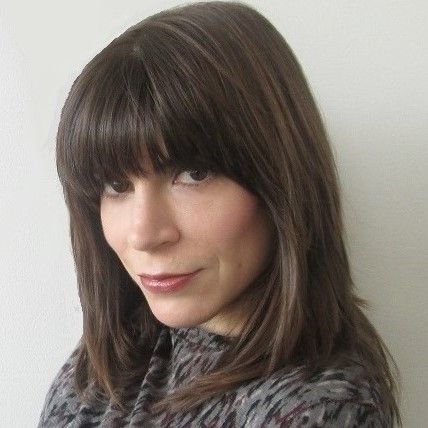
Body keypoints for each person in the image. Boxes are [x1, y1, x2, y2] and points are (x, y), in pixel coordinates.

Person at [37, 1, 401, 426]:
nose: (144, 234)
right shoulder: (113, 357)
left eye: (194, 174)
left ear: (280, 180)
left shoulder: (317, 410)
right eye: (117, 185)